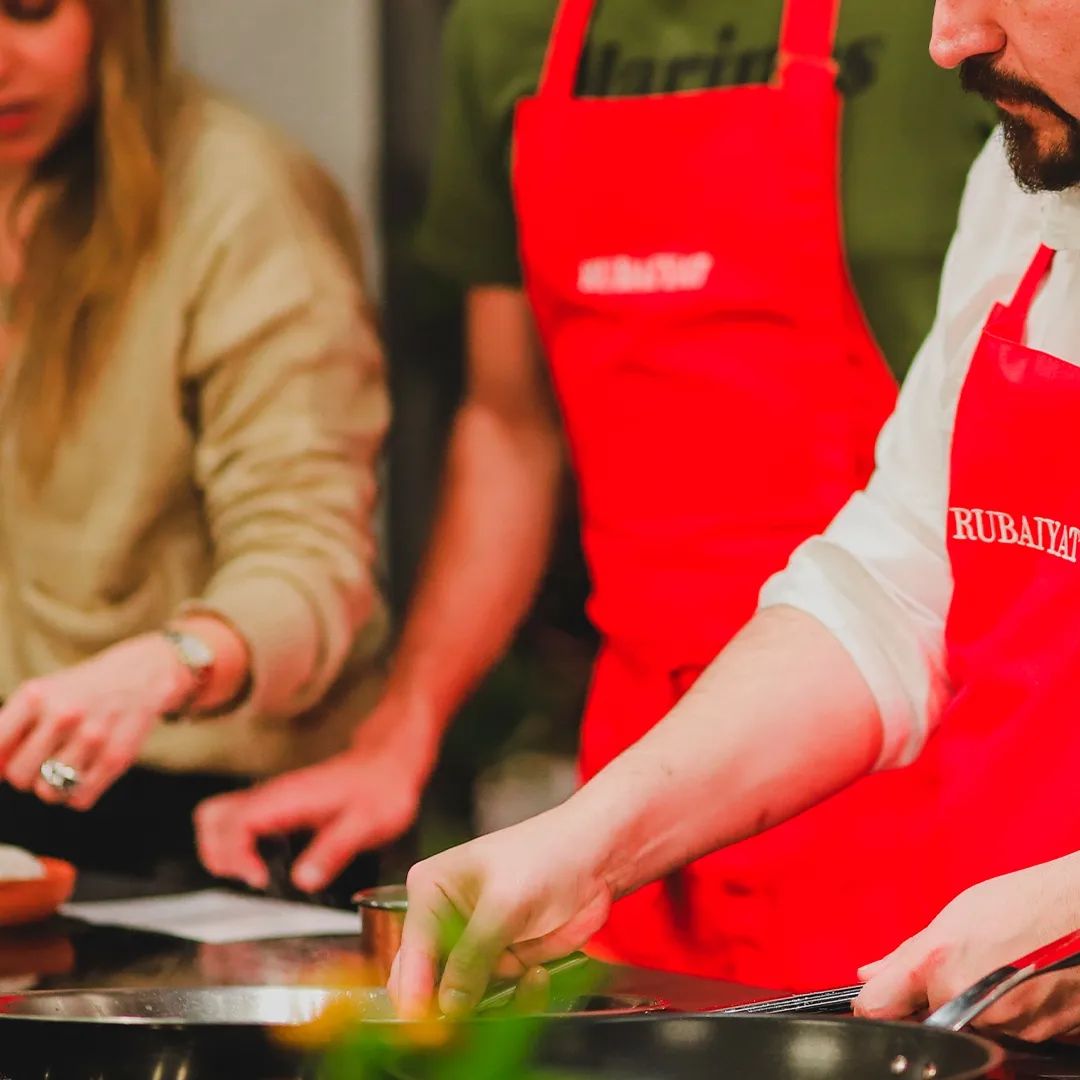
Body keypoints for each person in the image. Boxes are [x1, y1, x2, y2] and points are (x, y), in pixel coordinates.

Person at [196, 0, 990, 981]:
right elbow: (509, 424)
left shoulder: (961, 24)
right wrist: (403, 733)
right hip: (639, 774)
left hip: (915, 763)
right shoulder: (505, 33)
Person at [385, 0, 1080, 1018]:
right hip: (999, 1003)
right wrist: (591, 839)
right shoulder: (1027, 182)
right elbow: (896, 585)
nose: (947, 39)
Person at [0, 0, 389, 893]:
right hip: (26, 807)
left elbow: (311, 552)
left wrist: (171, 664)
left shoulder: (238, 195)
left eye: (29, 10)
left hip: (221, 814)